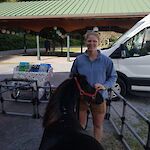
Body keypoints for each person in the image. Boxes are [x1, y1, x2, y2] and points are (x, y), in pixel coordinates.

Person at [70, 31, 117, 142]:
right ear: (85, 42)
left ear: (98, 42)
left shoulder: (107, 61)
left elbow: (113, 77)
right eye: (89, 41)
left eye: (94, 41)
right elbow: (73, 77)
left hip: (99, 98)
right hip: (82, 99)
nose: (91, 43)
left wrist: (104, 86)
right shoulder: (79, 60)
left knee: (98, 125)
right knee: (81, 125)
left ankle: (97, 146)